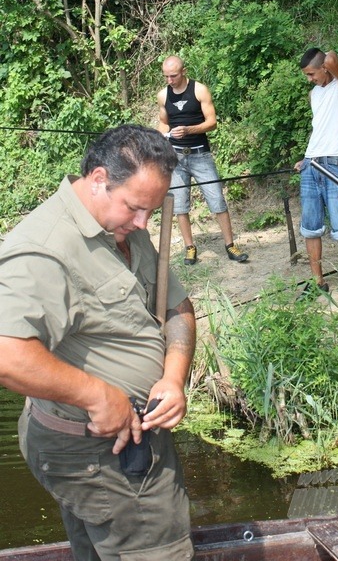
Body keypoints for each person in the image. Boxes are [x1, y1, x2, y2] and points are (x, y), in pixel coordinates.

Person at [0, 124, 196, 561]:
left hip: (134, 437)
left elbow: (178, 309)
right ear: (98, 180)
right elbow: (7, 353)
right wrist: (96, 394)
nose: (144, 222)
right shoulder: (45, 249)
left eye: (152, 209)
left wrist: (172, 376)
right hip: (100, 453)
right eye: (135, 208)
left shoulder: (121, 223)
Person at [157, 55, 248, 265]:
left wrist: (189, 129)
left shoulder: (199, 90)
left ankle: (230, 245)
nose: (169, 80)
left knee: (217, 199)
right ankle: (190, 248)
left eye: (173, 75)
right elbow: (163, 123)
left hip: (200, 155)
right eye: (166, 76)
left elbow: (212, 122)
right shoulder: (163, 95)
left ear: (183, 71)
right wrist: (162, 136)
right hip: (176, 158)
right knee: (180, 205)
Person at [294, 47, 338, 308]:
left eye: (311, 73)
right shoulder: (315, 94)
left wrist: (327, 57)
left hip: (336, 165)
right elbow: (321, 129)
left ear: (325, 67)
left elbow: (334, 57)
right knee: (310, 229)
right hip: (312, 165)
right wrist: (307, 157)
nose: (309, 79)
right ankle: (318, 282)